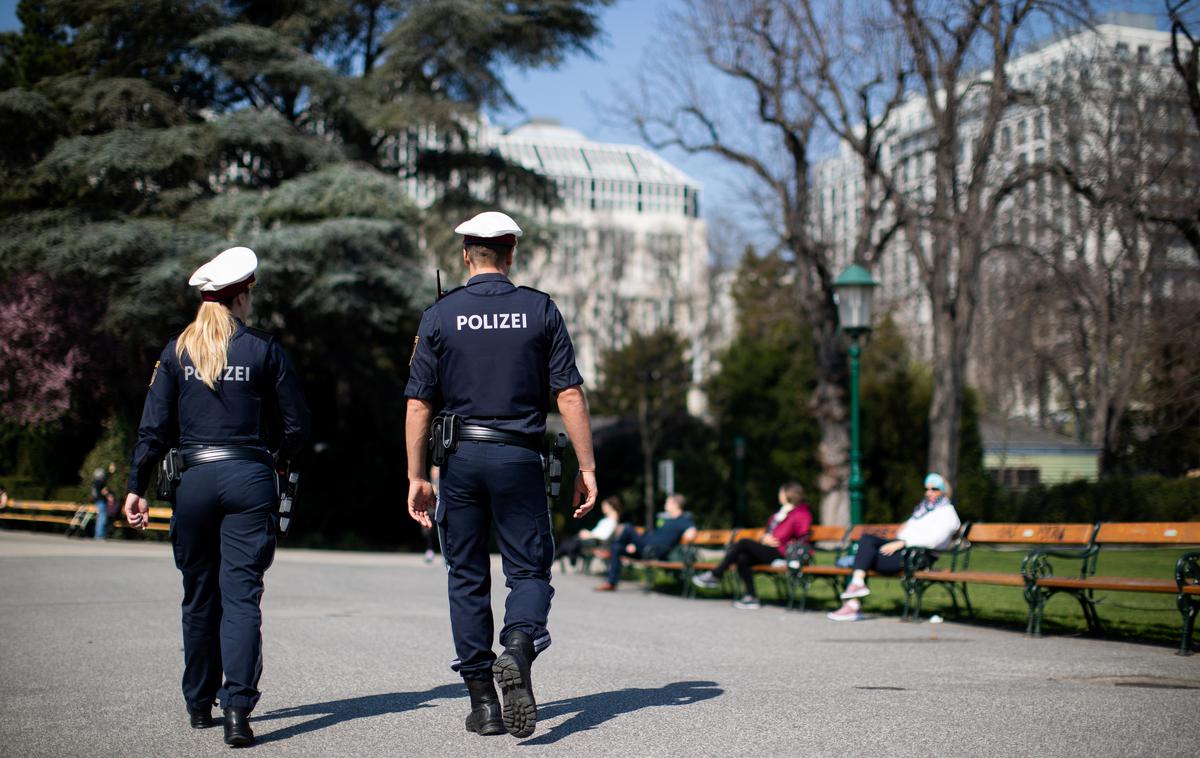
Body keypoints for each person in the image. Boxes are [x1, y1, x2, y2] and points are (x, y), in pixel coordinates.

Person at [404, 210, 598, 740]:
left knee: (466, 577)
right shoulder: (540, 309)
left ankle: (484, 704)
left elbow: (419, 404)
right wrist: (586, 466)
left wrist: (416, 475)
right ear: (511, 252)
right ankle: (517, 645)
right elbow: (570, 394)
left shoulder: (440, 316)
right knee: (529, 572)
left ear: (466, 254)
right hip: (518, 456)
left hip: (460, 460)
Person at [124, 246, 310, 746]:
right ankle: (238, 712)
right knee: (243, 597)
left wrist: (135, 487)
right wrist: (277, 457)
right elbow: (297, 425)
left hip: (194, 481)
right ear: (242, 296)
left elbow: (153, 427)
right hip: (249, 477)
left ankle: (198, 703)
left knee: (199, 594)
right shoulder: (264, 349)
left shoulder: (176, 351)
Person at [827, 472, 961, 622]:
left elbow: (934, 540)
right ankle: (857, 586)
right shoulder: (923, 510)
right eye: (927, 489)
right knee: (867, 540)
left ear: (945, 490)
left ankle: (853, 603)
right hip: (905, 550)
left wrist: (903, 542)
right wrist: (902, 540)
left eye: (934, 489)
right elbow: (903, 531)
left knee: (863, 559)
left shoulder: (947, 513)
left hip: (918, 557)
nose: (929, 493)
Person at [691, 482, 813, 609]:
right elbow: (768, 533)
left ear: (789, 494)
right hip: (769, 550)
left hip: (783, 552)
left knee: (744, 542)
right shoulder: (779, 514)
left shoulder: (801, 513)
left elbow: (803, 536)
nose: (779, 495)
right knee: (742, 557)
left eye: (781, 492)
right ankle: (751, 597)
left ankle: (716, 573)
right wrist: (764, 538)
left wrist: (785, 543)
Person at [595, 493, 696, 592]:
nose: (666, 504)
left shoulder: (683, 521)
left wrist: (689, 534)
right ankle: (611, 583)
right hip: (645, 548)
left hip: (653, 551)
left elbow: (692, 531)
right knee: (617, 547)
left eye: (668, 502)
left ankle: (606, 549)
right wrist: (634, 544)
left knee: (627, 527)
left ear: (676, 505)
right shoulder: (668, 520)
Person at [555, 495, 622, 572]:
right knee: (569, 542)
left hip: (596, 542)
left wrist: (588, 534)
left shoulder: (611, 521)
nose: (603, 508)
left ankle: (564, 559)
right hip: (592, 539)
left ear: (611, 506)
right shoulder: (606, 520)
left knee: (571, 543)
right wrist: (587, 534)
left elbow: (603, 537)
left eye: (605, 506)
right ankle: (567, 558)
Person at [90, 466, 110, 541]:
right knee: (102, 518)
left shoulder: (94, 482)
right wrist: (107, 494)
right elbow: (103, 491)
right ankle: (100, 535)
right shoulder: (100, 482)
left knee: (100, 517)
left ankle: (99, 534)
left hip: (97, 501)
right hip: (101, 501)